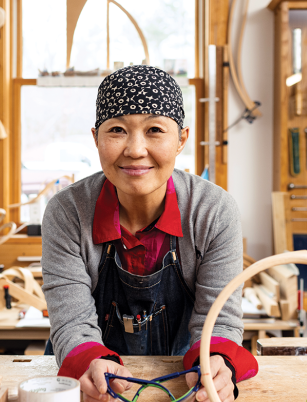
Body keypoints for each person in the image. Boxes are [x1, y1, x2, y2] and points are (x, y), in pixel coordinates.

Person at [41, 65, 258, 402]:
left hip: (181, 378)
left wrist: (216, 363)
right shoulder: (67, 212)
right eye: (117, 130)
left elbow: (219, 316)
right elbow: (71, 319)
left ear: (181, 139)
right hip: (92, 381)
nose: (135, 149)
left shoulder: (213, 211)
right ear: (96, 138)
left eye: (155, 130)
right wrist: (90, 362)